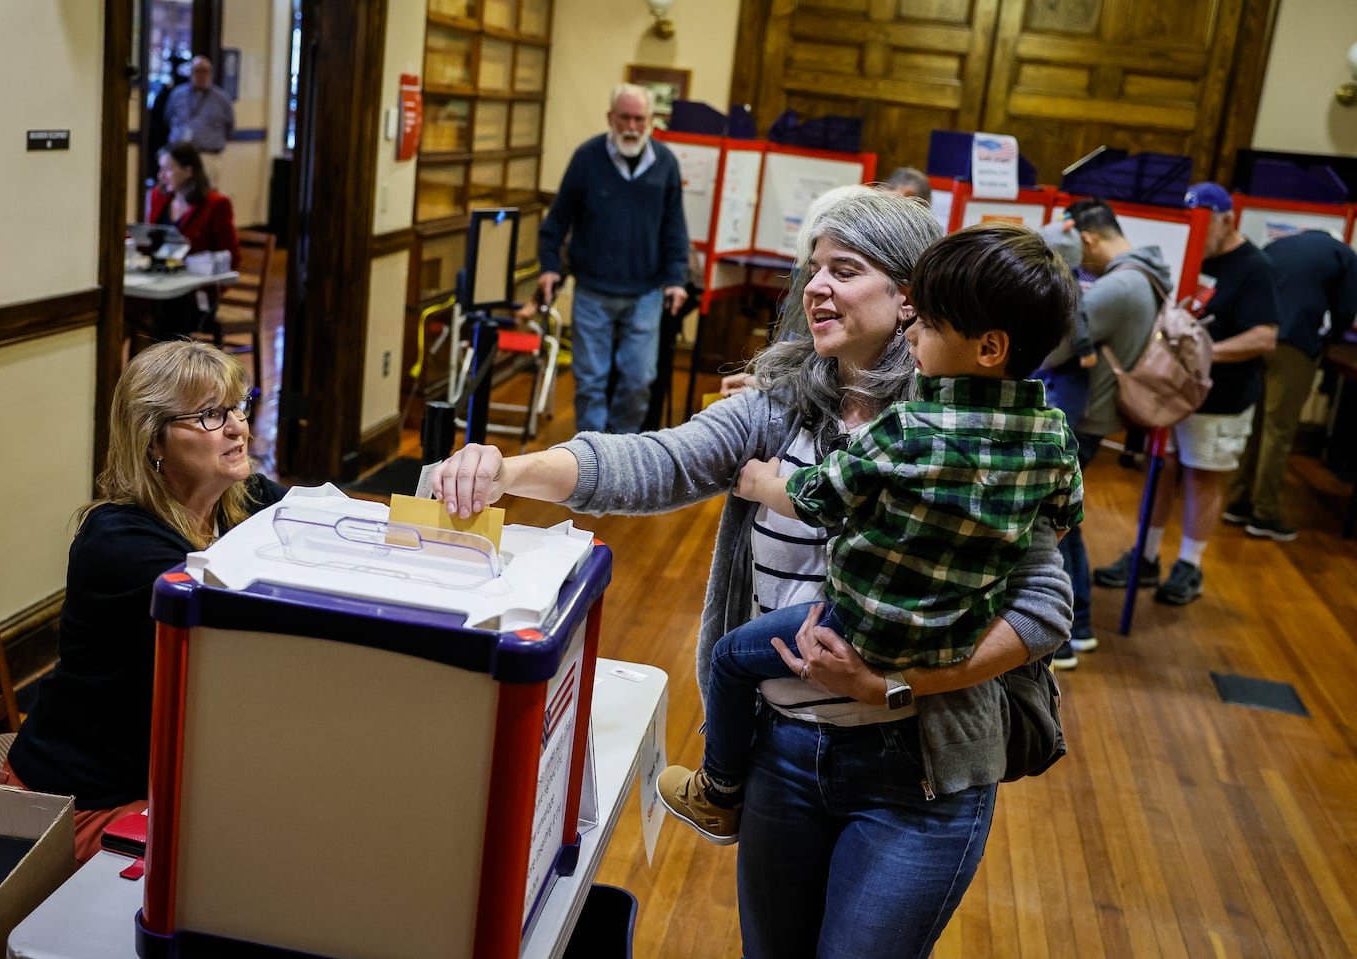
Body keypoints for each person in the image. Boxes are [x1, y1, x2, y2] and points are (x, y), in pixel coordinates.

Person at [432, 186, 1075, 958]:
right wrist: (508, 467)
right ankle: (720, 786)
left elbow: (1044, 611)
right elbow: (656, 460)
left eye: (844, 267)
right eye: (812, 267)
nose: (816, 285)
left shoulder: (983, 433)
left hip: (922, 776)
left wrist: (896, 685)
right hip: (783, 759)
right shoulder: (779, 408)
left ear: (910, 294)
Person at [656, 223, 1083, 844]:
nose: (914, 331)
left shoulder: (909, 426)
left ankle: (718, 790)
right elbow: (1063, 518)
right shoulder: (1053, 435)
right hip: (958, 632)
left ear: (989, 347)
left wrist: (759, 485)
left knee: (727, 658)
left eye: (930, 324)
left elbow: (818, 498)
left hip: (861, 626)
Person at [2, 340, 285, 863]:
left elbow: (338, 524)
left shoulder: (241, 501)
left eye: (239, 406)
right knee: (243, 865)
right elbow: (246, 615)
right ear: (153, 440)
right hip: (82, 800)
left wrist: (468, 473)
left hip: (167, 777)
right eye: (210, 415)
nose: (237, 427)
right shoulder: (118, 541)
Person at [1094, 183, 1277, 605]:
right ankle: (1146, 557)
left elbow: (1265, 337)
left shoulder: (1254, 267)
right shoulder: (1189, 256)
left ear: (1227, 220)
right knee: (1161, 471)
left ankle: (1190, 566)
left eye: (1204, 224)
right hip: (1172, 394)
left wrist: (1201, 356)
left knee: (1202, 477)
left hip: (1220, 398)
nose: (1197, 233)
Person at [1047, 198, 1171, 659]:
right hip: (1098, 416)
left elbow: (1056, 349)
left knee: (1059, 525)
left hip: (1085, 417)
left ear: (1087, 239)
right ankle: (1075, 628)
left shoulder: (1119, 287)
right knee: (1064, 521)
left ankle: (1070, 630)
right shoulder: (1149, 275)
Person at [537, 82, 689, 434]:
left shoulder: (664, 163)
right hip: (593, 289)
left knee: (638, 381)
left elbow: (674, 228)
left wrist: (677, 279)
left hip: (646, 292)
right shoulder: (587, 158)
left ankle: (620, 456)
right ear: (610, 117)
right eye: (625, 118)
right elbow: (557, 220)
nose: (632, 127)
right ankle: (589, 460)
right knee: (590, 383)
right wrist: (548, 267)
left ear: (651, 120)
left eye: (639, 119)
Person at [1224, 229, 1357, 541]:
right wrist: (1333, 337)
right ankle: (1265, 514)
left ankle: (1238, 502)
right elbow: (1347, 307)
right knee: (1279, 430)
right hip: (1293, 343)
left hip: (1254, 338)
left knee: (1256, 425)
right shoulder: (1344, 255)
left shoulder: (1277, 244)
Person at [139, 141, 242, 343]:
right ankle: (146, 369)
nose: (161, 176)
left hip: (196, 296)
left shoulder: (216, 205)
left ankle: (168, 368)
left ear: (189, 170)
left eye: (168, 169)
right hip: (160, 283)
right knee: (133, 307)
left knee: (167, 310)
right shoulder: (159, 198)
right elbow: (150, 243)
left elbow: (231, 257)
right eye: (160, 169)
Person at [163, 55, 235, 186]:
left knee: (206, 195)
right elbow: (167, 118)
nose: (201, 75)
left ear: (211, 74)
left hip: (208, 156)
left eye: (205, 71)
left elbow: (229, 127)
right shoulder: (177, 94)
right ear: (190, 73)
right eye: (197, 70)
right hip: (180, 157)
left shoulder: (222, 99)